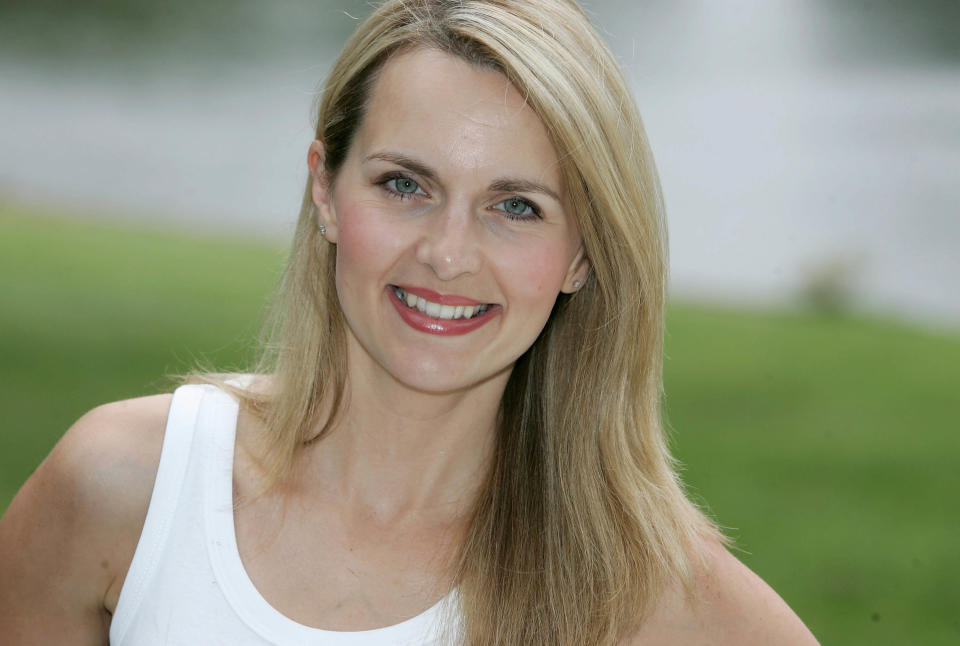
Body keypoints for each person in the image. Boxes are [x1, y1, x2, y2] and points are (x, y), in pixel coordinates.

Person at [0, 0, 820, 643]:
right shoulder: (121, 490)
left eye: (516, 206)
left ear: (582, 255)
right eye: (404, 185)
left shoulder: (644, 589)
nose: (448, 254)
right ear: (325, 188)